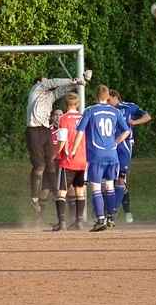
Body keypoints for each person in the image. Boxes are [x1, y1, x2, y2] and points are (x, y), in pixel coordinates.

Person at [25, 70, 91, 221]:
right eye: (44, 79)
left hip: (45, 130)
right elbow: (53, 82)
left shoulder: (50, 95)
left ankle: (60, 211)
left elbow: (63, 90)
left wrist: (81, 82)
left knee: (51, 165)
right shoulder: (36, 90)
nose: (47, 80)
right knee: (40, 166)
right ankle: (34, 198)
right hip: (34, 130)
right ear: (39, 83)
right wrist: (74, 79)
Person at [71, 85, 130, 232]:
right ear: (108, 96)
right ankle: (110, 218)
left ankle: (100, 220)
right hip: (112, 155)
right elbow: (127, 131)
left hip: (96, 154)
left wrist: (73, 149)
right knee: (110, 186)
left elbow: (80, 132)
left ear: (95, 95)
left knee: (96, 187)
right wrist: (116, 143)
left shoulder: (90, 110)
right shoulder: (115, 111)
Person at [108, 90, 152, 223]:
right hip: (109, 144)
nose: (108, 103)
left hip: (125, 145)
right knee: (110, 178)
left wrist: (134, 122)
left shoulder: (129, 107)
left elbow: (147, 116)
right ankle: (109, 211)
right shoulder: (106, 109)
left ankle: (120, 211)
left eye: (109, 100)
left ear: (115, 97)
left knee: (121, 178)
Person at [53, 93, 86, 231]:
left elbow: (62, 139)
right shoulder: (84, 117)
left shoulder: (64, 119)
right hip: (82, 159)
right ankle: (79, 222)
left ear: (66, 104)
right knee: (80, 191)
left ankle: (62, 223)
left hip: (68, 160)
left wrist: (55, 154)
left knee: (61, 192)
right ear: (77, 104)